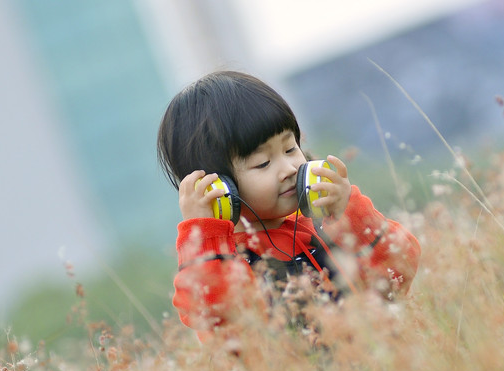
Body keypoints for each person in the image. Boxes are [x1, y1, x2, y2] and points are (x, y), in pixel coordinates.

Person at [157, 70, 421, 335]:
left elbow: (399, 274)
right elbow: (219, 321)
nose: (289, 169)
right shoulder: (227, 263)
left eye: (290, 149)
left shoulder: (324, 228)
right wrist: (203, 237)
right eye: (263, 163)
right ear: (217, 188)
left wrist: (352, 213)